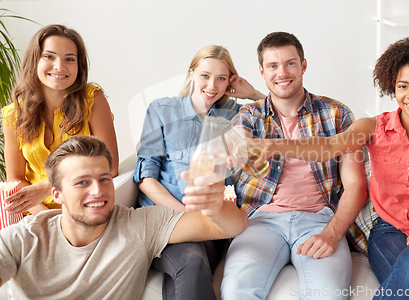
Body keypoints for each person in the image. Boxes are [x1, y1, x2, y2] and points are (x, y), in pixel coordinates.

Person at [250, 35, 409, 299]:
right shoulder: (371, 128)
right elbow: (327, 147)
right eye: (402, 85)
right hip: (389, 234)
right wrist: (272, 146)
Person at [0, 135, 248, 299]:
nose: (97, 190)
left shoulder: (140, 225)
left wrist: (215, 206)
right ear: (58, 195)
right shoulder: (25, 238)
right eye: (82, 182)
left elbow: (234, 226)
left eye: (104, 179)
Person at [220, 32, 369, 300]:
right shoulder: (249, 115)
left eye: (290, 63)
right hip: (260, 219)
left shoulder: (337, 114)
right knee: (235, 291)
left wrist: (332, 234)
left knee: (329, 295)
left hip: (319, 219)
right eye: (273, 66)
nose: (282, 73)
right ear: (262, 72)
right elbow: (239, 143)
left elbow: (356, 185)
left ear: (303, 65)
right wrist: (237, 149)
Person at [134, 45, 265, 300]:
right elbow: (146, 178)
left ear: (230, 82)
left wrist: (253, 94)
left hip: (212, 222)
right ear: (192, 73)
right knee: (191, 262)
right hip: (164, 218)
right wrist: (184, 214)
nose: (212, 85)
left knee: (193, 264)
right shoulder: (161, 109)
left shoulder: (237, 115)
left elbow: (280, 122)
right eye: (205, 75)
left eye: (221, 78)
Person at [2, 24, 119, 216]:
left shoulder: (93, 100)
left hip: (85, 209)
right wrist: (45, 217)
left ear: (78, 66)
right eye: (49, 56)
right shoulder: (13, 114)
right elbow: (15, 179)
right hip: (36, 215)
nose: (59, 66)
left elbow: (110, 166)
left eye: (69, 59)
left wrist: (49, 188)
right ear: (35, 61)